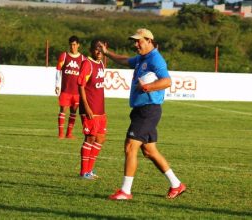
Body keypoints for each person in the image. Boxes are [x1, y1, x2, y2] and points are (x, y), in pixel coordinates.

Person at [98, 28, 186, 200]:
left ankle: (125, 191)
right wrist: (107, 53)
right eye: (134, 41)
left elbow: (167, 81)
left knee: (130, 147)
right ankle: (177, 185)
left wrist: (148, 87)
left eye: (139, 41)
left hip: (148, 110)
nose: (135, 44)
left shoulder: (155, 59)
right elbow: (125, 60)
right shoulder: (141, 58)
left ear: (149, 41)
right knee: (149, 151)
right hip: (141, 110)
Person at [77, 39, 107, 179]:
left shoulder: (101, 63)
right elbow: (81, 86)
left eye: (101, 49)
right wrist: (86, 107)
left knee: (100, 138)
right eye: (96, 49)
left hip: (100, 109)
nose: (99, 52)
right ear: (91, 50)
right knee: (90, 138)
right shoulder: (87, 64)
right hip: (90, 109)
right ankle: (84, 172)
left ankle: (90, 170)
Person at [55, 35, 86, 139]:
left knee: (74, 111)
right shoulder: (64, 56)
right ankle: (60, 133)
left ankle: (69, 133)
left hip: (77, 91)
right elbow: (58, 70)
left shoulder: (82, 59)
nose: (72, 47)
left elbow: (85, 75)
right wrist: (57, 85)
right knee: (63, 109)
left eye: (74, 45)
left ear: (78, 45)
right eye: (71, 45)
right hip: (65, 90)